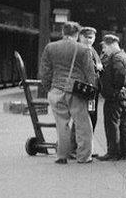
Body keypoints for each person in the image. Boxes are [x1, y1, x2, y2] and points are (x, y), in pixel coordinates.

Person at [39, 21, 98, 164]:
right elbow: (90, 73)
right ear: (77, 34)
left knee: (61, 125)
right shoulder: (83, 49)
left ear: (62, 33)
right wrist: (92, 91)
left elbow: (45, 72)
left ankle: (62, 156)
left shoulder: (50, 47)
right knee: (83, 124)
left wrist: (49, 87)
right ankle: (84, 157)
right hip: (75, 91)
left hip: (56, 90)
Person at [96, 33, 126, 161]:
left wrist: (112, 91)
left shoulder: (116, 58)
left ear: (110, 45)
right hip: (124, 96)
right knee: (122, 124)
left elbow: (119, 77)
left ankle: (113, 153)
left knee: (112, 124)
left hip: (115, 97)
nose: (104, 51)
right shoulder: (125, 56)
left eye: (105, 48)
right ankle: (124, 152)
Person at [78, 26, 102, 128]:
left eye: (91, 38)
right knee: (85, 114)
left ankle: (88, 137)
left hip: (92, 88)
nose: (89, 40)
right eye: (86, 37)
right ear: (80, 37)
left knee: (92, 113)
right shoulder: (80, 49)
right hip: (84, 87)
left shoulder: (92, 50)